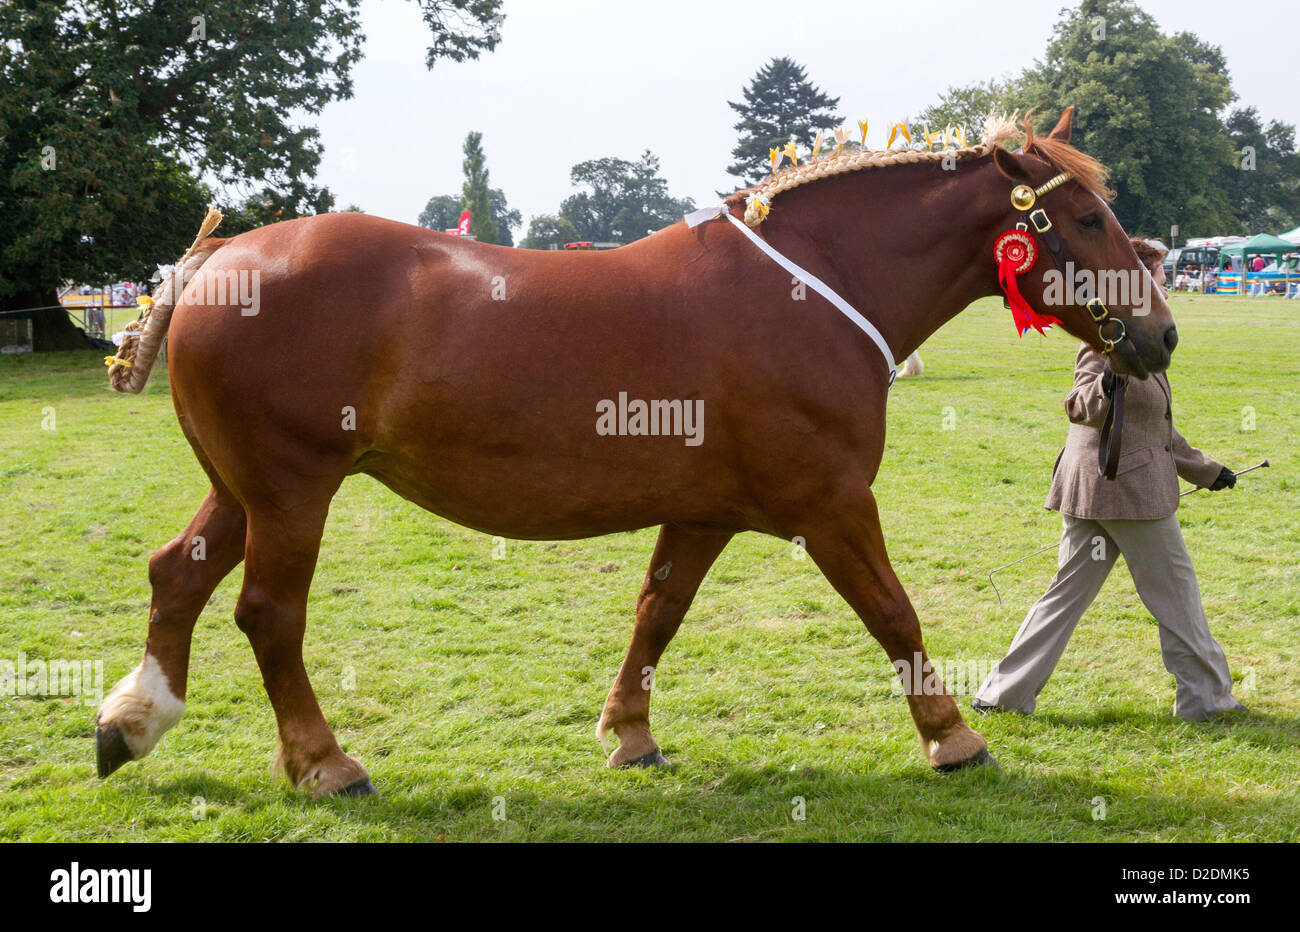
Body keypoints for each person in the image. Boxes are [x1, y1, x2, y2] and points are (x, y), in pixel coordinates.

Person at [974, 238, 1247, 722]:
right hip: (1126, 492)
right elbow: (1081, 407)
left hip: (1104, 489)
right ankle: (1207, 698)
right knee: (1176, 593)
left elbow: (1153, 425)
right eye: (1160, 280)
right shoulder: (1102, 341)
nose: (1165, 289)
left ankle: (1004, 695)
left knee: (1065, 595)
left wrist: (1207, 471)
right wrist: (1109, 380)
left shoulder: (1137, 340)